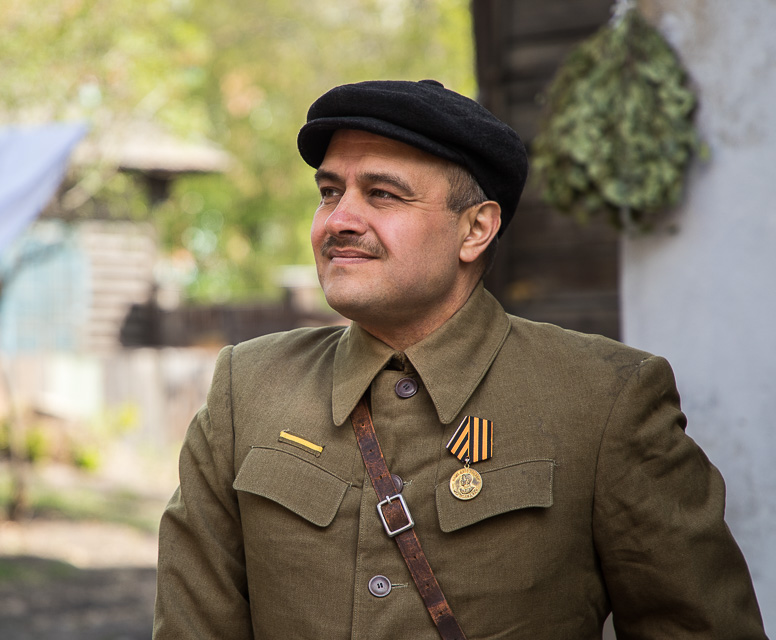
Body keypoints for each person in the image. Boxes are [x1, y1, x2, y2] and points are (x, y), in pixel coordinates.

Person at [153, 80, 766, 639]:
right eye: (330, 192)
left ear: (475, 230)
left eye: (383, 194)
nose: (339, 221)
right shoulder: (247, 388)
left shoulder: (605, 399)